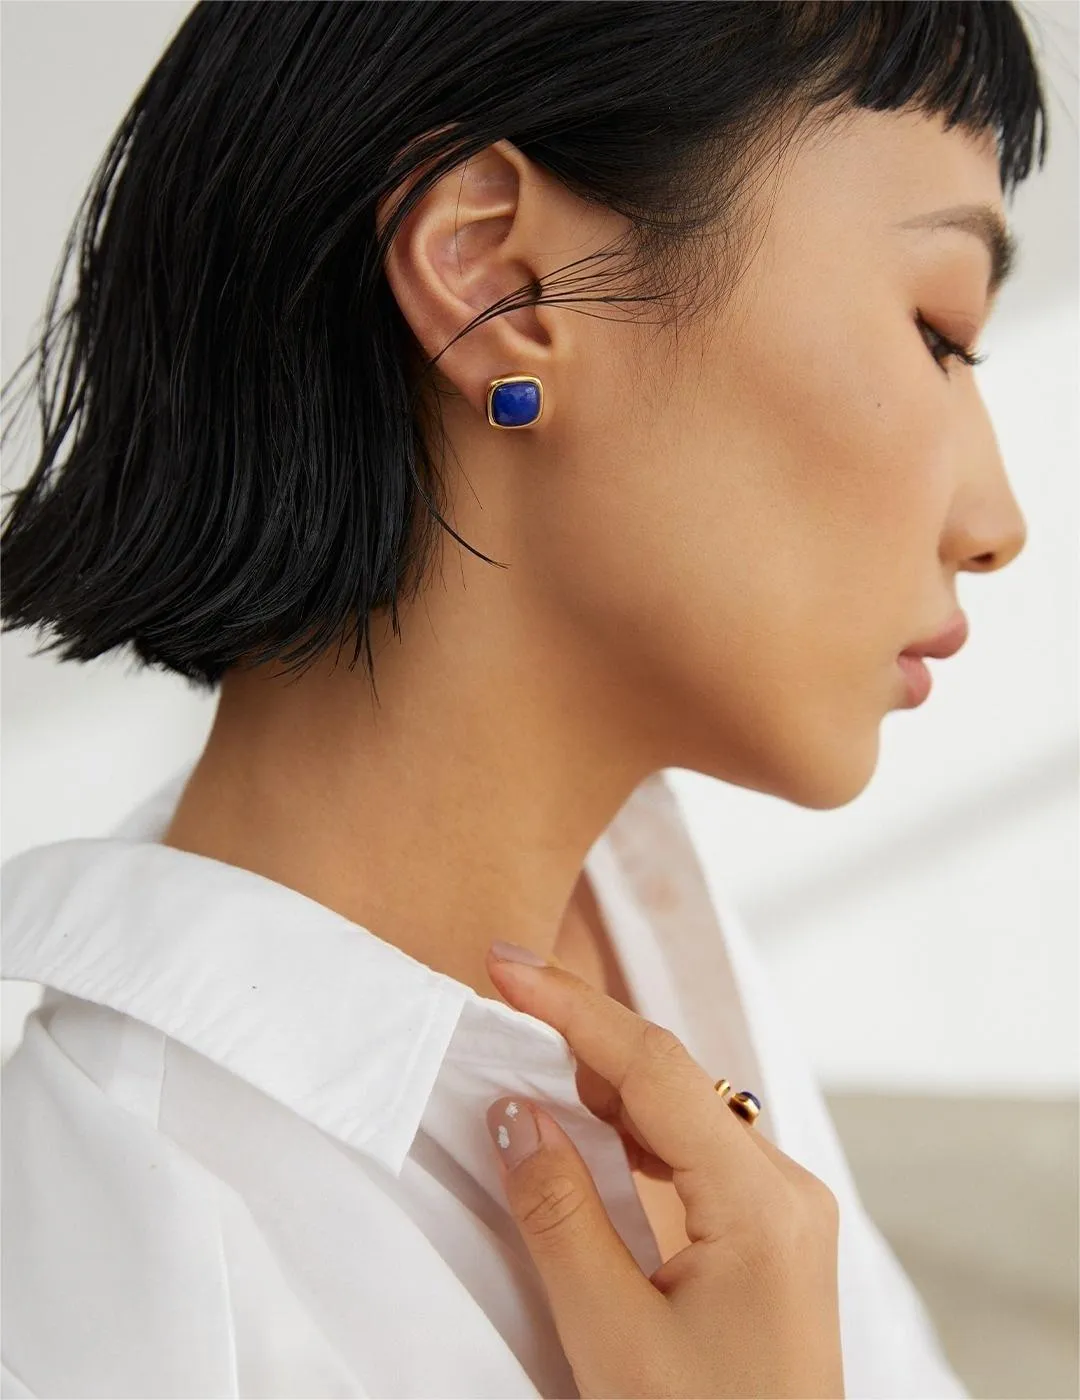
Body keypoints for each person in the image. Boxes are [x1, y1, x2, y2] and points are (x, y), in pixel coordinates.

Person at [0, 2, 1049, 1396]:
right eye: (936, 332)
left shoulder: (646, 917)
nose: (998, 520)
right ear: (500, 281)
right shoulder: (129, 1271)